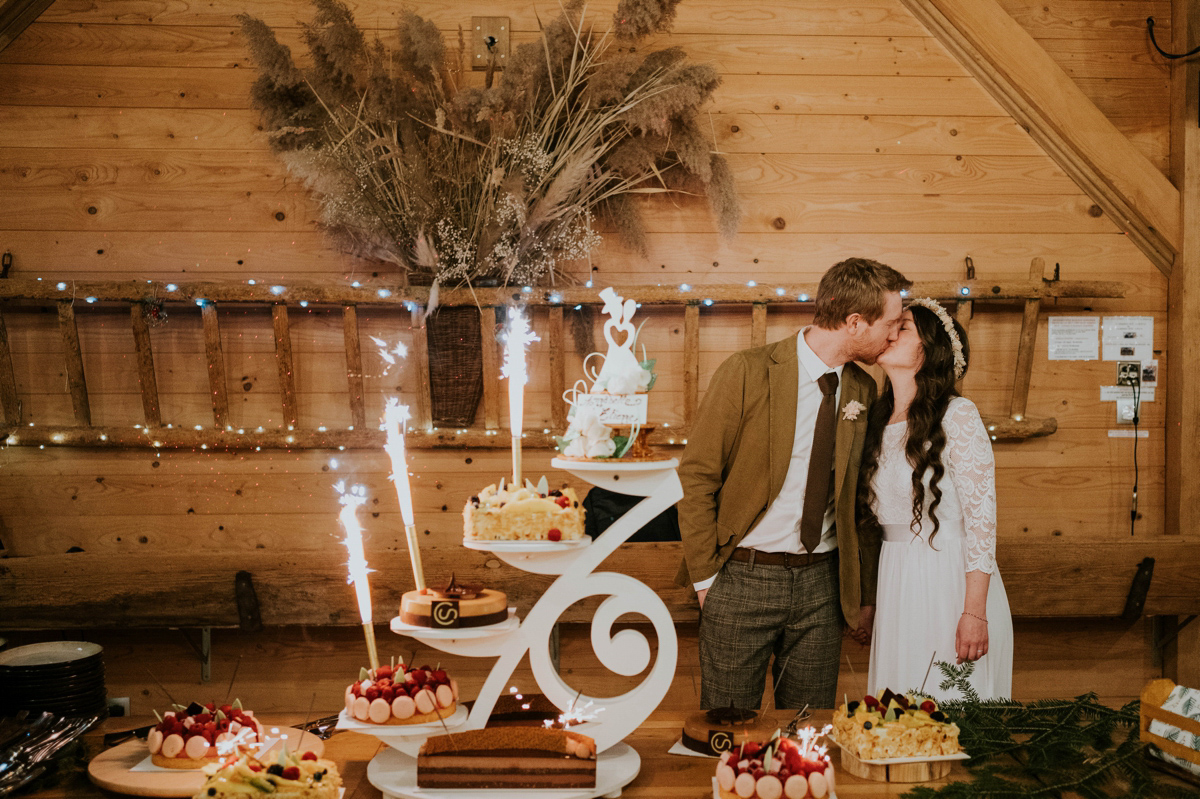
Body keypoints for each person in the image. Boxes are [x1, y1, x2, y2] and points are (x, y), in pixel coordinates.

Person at [677, 258, 912, 710]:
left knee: (809, 730)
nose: (895, 334)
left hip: (821, 587)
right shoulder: (745, 372)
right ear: (855, 322)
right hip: (741, 577)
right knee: (729, 726)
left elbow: (861, 502)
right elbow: (697, 477)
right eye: (892, 323)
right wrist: (708, 581)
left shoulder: (862, 390)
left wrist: (863, 594)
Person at [860, 298, 1013, 700]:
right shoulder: (876, 418)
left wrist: (974, 612)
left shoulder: (958, 415)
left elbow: (983, 521)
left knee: (948, 700)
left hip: (948, 579)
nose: (890, 333)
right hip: (895, 578)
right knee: (897, 706)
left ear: (929, 349)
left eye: (904, 327)